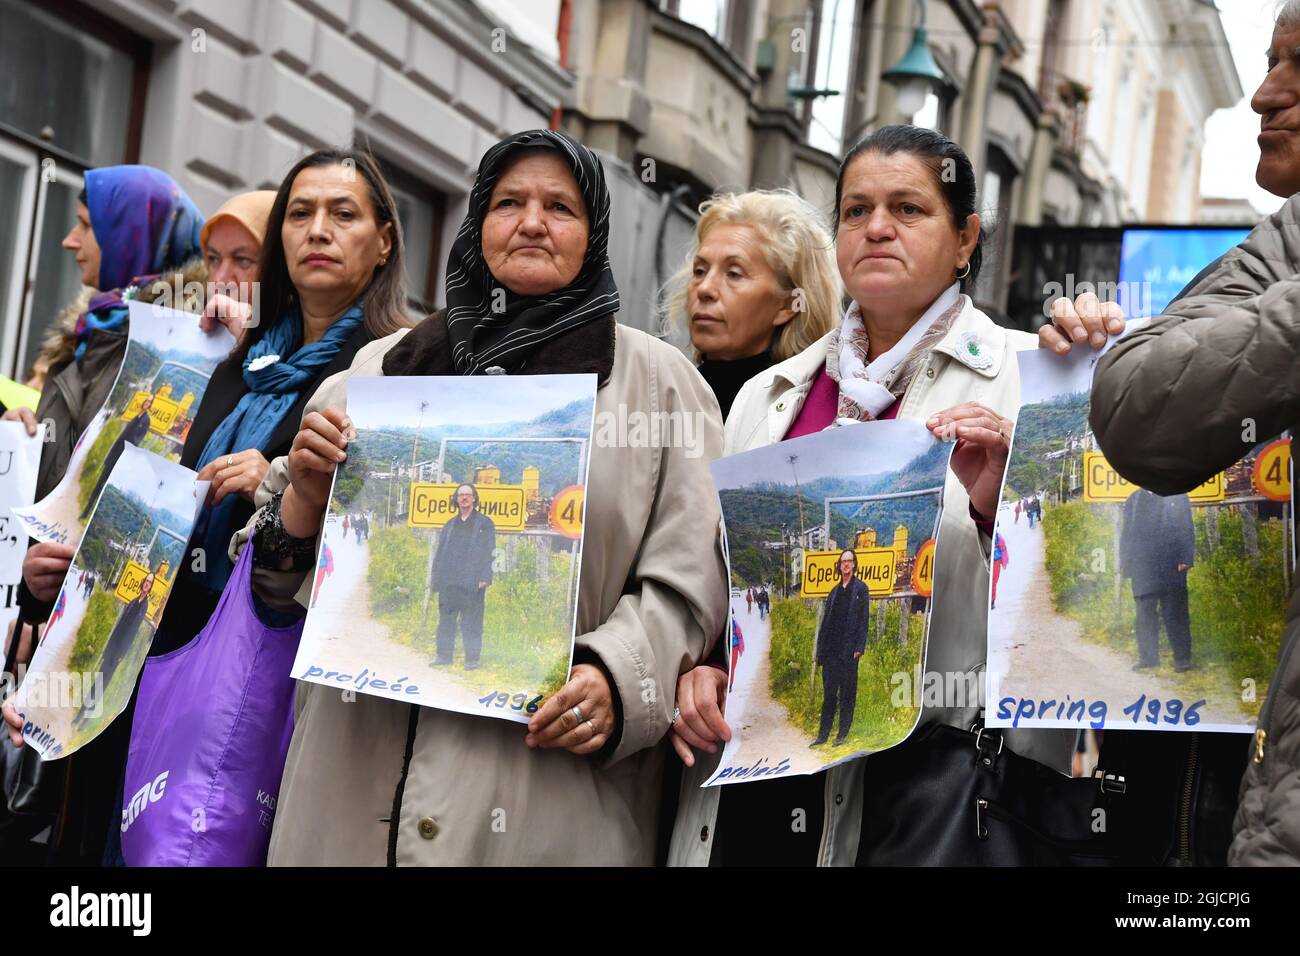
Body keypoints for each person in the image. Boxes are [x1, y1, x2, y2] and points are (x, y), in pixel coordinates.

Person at [224, 128, 726, 866]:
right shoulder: (381, 372)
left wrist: (617, 677)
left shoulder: (661, 386)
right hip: (346, 791)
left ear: (595, 232)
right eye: (508, 202)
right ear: (477, 223)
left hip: (543, 796)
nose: (531, 222)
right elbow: (267, 585)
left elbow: (690, 582)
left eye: (560, 206)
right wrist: (301, 498)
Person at [668, 125, 1125, 866]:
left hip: (938, 799)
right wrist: (703, 666)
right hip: (758, 789)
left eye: (908, 209)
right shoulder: (768, 395)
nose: (876, 227)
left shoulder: (1038, 375)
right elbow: (720, 585)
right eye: (856, 210)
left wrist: (989, 512)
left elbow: (1080, 611)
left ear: (966, 237)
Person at [664, 190, 841, 419]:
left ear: (788, 304)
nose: (705, 288)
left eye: (734, 274)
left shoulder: (804, 421)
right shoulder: (657, 397)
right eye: (700, 271)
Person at [1119, 491, 1194, 672]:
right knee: (1144, 613)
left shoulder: (1177, 495)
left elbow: (1187, 527)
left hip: (1172, 564)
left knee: (1175, 612)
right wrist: (1126, 564)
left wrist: (1186, 558)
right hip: (1143, 566)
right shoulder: (1134, 499)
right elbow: (1127, 534)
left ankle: (1182, 659)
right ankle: (1148, 658)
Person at [431, 484, 496, 669]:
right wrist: (437, 579)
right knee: (446, 620)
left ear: (474, 498)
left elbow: (491, 551)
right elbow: (440, 552)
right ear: (456, 499)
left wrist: (486, 577)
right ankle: (444, 657)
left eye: (468, 495)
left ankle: (472, 660)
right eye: (461, 495)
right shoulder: (450, 525)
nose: (465, 498)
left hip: (473, 581)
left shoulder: (485, 523)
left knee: (472, 622)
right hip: (449, 581)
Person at [813, 549, 870, 747]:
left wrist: (859, 647)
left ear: (854, 564)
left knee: (847, 695)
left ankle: (842, 735)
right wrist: (821, 652)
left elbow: (864, 620)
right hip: (831, 652)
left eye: (849, 561)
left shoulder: (861, 589)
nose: (846, 564)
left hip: (849, 652)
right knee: (829, 695)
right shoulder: (834, 592)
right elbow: (826, 623)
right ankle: (822, 735)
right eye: (843, 561)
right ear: (839, 565)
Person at [79, 395, 154, 521]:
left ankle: (95, 517)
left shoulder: (146, 420)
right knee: (99, 483)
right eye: (146, 400)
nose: (147, 403)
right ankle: (85, 512)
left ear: (151, 405)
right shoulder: (136, 416)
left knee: (107, 489)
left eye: (150, 402)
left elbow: (137, 440)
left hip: (122, 459)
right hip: (114, 455)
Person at [310, 542, 334, 609]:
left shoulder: (325, 548)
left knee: (316, 586)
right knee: (314, 585)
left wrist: (329, 570)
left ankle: (313, 601)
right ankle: (312, 601)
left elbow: (329, 559)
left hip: (321, 569)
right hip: (316, 569)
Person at [991, 530, 1009, 610]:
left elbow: (1004, 550)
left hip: (996, 561)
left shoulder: (999, 537)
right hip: (988, 560)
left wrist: (1004, 562)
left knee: (993, 581)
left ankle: (992, 601)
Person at [727, 617, 745, 693]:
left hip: (734, 648)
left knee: (732, 667)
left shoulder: (735, 624)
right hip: (728, 647)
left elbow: (740, 636)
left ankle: (730, 685)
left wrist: (741, 649)